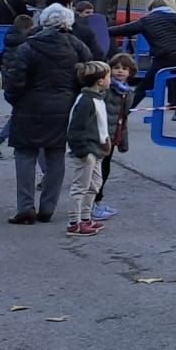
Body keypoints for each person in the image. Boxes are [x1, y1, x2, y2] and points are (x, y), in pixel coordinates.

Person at [3, 3, 93, 225]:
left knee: (24, 155)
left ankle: (25, 207)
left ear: (44, 21)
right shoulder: (78, 47)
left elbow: (14, 81)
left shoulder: (28, 47)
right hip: (64, 108)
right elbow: (88, 75)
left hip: (29, 106)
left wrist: (16, 100)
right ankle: (47, 207)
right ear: (68, 22)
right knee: (56, 156)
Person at [111, 0, 176, 113]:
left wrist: (104, 31)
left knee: (144, 86)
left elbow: (125, 30)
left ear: (152, 9)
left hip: (163, 56)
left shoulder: (147, 20)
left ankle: (124, 113)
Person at [63, 60, 113, 236]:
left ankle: (85, 217)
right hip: (87, 151)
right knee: (80, 186)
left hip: (97, 149)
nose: (110, 80)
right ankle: (73, 222)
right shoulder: (86, 101)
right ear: (100, 81)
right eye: (109, 76)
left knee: (94, 184)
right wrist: (83, 151)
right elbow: (75, 129)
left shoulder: (97, 98)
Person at [0, 13, 34, 158]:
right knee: (20, 115)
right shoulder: (25, 43)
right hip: (22, 82)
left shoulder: (11, 40)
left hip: (11, 79)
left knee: (20, 114)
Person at [96, 54, 136, 220]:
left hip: (113, 137)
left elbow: (123, 118)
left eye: (124, 69)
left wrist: (122, 142)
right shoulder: (107, 89)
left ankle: (97, 203)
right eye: (117, 68)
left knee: (105, 170)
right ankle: (91, 205)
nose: (120, 71)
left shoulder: (126, 91)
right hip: (102, 136)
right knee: (98, 171)